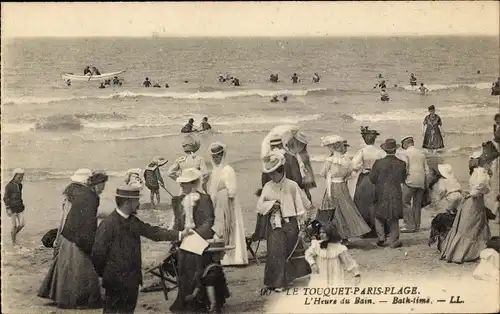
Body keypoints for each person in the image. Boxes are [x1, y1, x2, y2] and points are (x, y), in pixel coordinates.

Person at [91, 185, 192, 314]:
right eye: (136, 201)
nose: (138, 204)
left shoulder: (132, 221)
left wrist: (180, 234)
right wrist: (105, 276)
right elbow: (97, 254)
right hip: (114, 282)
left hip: (132, 280)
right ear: (127, 202)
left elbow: (153, 232)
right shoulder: (108, 224)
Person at [38, 168, 103, 309]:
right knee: (79, 268)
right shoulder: (84, 195)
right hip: (75, 234)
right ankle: (80, 299)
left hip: (66, 233)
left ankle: (59, 295)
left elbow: (66, 218)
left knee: (64, 267)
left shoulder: (72, 193)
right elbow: (82, 220)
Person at [256, 151, 314, 292]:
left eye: (273, 173)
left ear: (281, 171)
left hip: (290, 224)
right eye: (270, 174)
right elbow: (259, 206)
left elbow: (302, 205)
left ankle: (281, 281)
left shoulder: (291, 185)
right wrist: (272, 205)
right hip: (274, 223)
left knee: (285, 252)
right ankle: (274, 281)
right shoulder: (268, 186)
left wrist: (303, 223)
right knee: (274, 251)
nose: (271, 177)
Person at [169, 168, 216, 312]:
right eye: (181, 184)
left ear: (193, 183)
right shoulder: (177, 200)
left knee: (193, 260)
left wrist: (195, 234)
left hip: (200, 237)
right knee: (183, 261)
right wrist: (176, 237)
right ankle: (186, 298)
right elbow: (177, 222)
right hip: (185, 238)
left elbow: (209, 221)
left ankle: (197, 299)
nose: (182, 186)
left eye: (185, 184)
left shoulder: (204, 199)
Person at [440, 149, 499, 263]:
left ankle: (462, 252)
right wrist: (471, 194)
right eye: (490, 163)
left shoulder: (477, 171)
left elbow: (477, 187)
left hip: (474, 201)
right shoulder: (482, 173)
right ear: (485, 162)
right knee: (472, 226)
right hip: (474, 201)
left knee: (471, 225)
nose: (491, 165)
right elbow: (480, 188)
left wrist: (470, 193)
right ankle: (468, 253)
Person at [316, 135, 371, 244]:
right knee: (345, 209)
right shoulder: (346, 160)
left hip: (333, 186)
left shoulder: (330, 161)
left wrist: (331, 175)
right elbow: (350, 173)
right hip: (343, 186)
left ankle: (336, 236)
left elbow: (322, 173)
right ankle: (345, 236)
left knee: (333, 210)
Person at [208, 142, 249, 266]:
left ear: (223, 155)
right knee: (220, 228)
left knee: (231, 227)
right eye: (214, 156)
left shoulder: (228, 170)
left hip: (229, 203)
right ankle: (223, 257)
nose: (216, 159)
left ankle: (236, 258)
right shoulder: (215, 170)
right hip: (219, 203)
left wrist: (223, 196)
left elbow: (232, 191)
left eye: (218, 156)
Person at [369, 139, 407, 248]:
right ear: (395, 150)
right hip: (395, 190)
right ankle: (394, 241)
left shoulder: (378, 163)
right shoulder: (401, 163)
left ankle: (381, 238)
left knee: (379, 214)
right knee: (394, 216)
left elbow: (372, 178)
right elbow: (403, 179)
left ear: (385, 150)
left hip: (381, 190)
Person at [351, 126, 386, 238]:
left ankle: (365, 229)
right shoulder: (380, 152)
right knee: (376, 203)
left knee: (363, 203)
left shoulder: (362, 151)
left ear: (365, 139)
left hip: (365, 178)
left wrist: (362, 168)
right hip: (377, 179)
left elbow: (354, 166)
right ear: (374, 139)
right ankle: (378, 229)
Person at [305, 221, 361, 287]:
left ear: (330, 233)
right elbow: (308, 254)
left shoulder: (339, 247)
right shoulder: (317, 245)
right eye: (320, 232)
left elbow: (348, 261)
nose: (321, 235)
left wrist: (356, 274)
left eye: (324, 232)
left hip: (335, 275)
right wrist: (313, 264)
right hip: (321, 274)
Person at [185, 244, 232, 313]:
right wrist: (213, 302)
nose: (224, 253)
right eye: (221, 252)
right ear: (214, 257)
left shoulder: (205, 268)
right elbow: (210, 286)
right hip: (213, 299)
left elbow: (200, 283)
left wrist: (193, 295)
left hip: (206, 299)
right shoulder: (215, 270)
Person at [400, 136, 431, 233]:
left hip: (410, 180)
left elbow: (405, 167)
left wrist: (402, 180)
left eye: (403, 144)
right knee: (417, 205)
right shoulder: (421, 153)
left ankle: (409, 225)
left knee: (405, 202)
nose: (402, 146)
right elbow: (427, 170)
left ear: (406, 143)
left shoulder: (405, 153)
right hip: (421, 181)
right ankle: (417, 225)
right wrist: (426, 184)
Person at [3, 168, 26, 245]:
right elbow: (6, 198)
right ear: (14, 176)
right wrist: (8, 208)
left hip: (20, 207)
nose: (21, 179)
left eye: (22, 177)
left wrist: (22, 204)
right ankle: (14, 242)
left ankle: (13, 234)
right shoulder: (8, 186)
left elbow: (20, 196)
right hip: (12, 208)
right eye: (19, 177)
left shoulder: (20, 185)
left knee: (22, 224)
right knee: (14, 225)